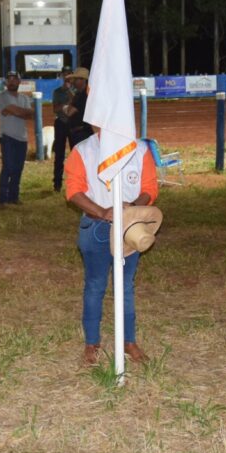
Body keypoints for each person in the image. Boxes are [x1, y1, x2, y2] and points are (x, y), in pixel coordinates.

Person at [65, 129, 158, 364]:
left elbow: (149, 187)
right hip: (96, 228)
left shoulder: (140, 149)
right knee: (95, 285)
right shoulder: (83, 150)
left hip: (130, 229)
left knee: (125, 286)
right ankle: (92, 343)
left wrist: (134, 206)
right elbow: (74, 190)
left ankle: (129, 341)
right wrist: (102, 211)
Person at [0, 71, 34, 204]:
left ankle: (14, 197)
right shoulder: (2, 96)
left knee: (18, 169)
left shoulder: (24, 98)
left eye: (14, 79)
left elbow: (30, 114)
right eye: (9, 79)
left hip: (22, 138)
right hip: (7, 137)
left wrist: (14, 111)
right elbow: (22, 112)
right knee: (8, 167)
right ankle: (2, 198)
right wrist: (20, 112)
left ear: (19, 82)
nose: (12, 82)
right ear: (6, 82)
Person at [51, 67, 76, 192]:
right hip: (61, 123)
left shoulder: (77, 90)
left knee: (76, 154)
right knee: (59, 155)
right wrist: (68, 105)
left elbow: (78, 104)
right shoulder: (57, 92)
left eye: (69, 74)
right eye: (65, 74)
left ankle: (76, 183)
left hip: (74, 125)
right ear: (61, 76)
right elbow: (55, 109)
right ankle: (57, 183)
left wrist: (70, 94)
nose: (67, 77)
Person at [65, 67, 93, 146]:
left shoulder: (82, 96)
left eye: (75, 79)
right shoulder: (82, 94)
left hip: (82, 134)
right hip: (83, 132)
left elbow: (69, 112)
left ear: (83, 80)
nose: (73, 82)